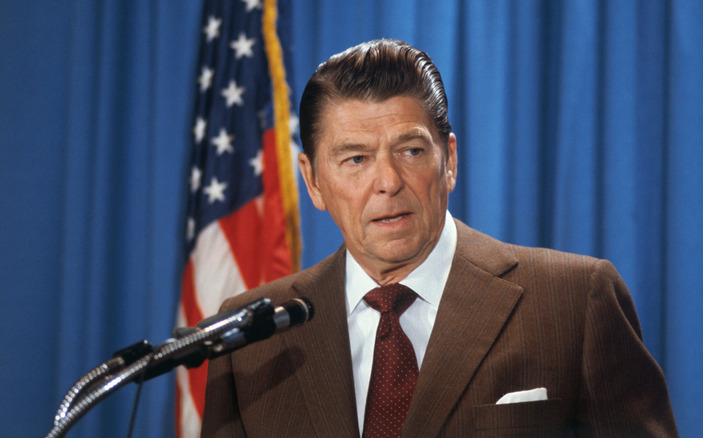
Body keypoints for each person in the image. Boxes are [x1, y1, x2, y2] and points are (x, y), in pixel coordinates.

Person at [201, 39, 678, 437]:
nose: (387, 181)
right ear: (313, 182)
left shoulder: (573, 301)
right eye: (355, 159)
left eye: (410, 150)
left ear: (449, 160)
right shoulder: (251, 336)